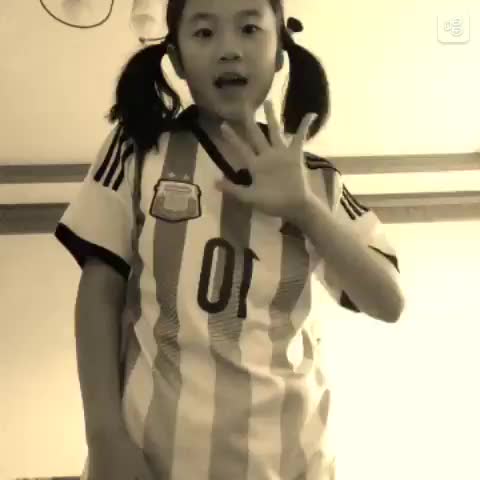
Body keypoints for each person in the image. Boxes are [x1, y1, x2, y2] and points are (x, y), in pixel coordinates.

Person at [55, 1, 405, 479]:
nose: (229, 50)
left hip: (291, 463)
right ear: (176, 58)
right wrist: (104, 436)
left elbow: (388, 302)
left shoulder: (317, 179)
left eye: (249, 28)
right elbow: (99, 295)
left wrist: (304, 208)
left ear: (279, 50)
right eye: (204, 33)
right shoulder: (139, 150)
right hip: (155, 462)